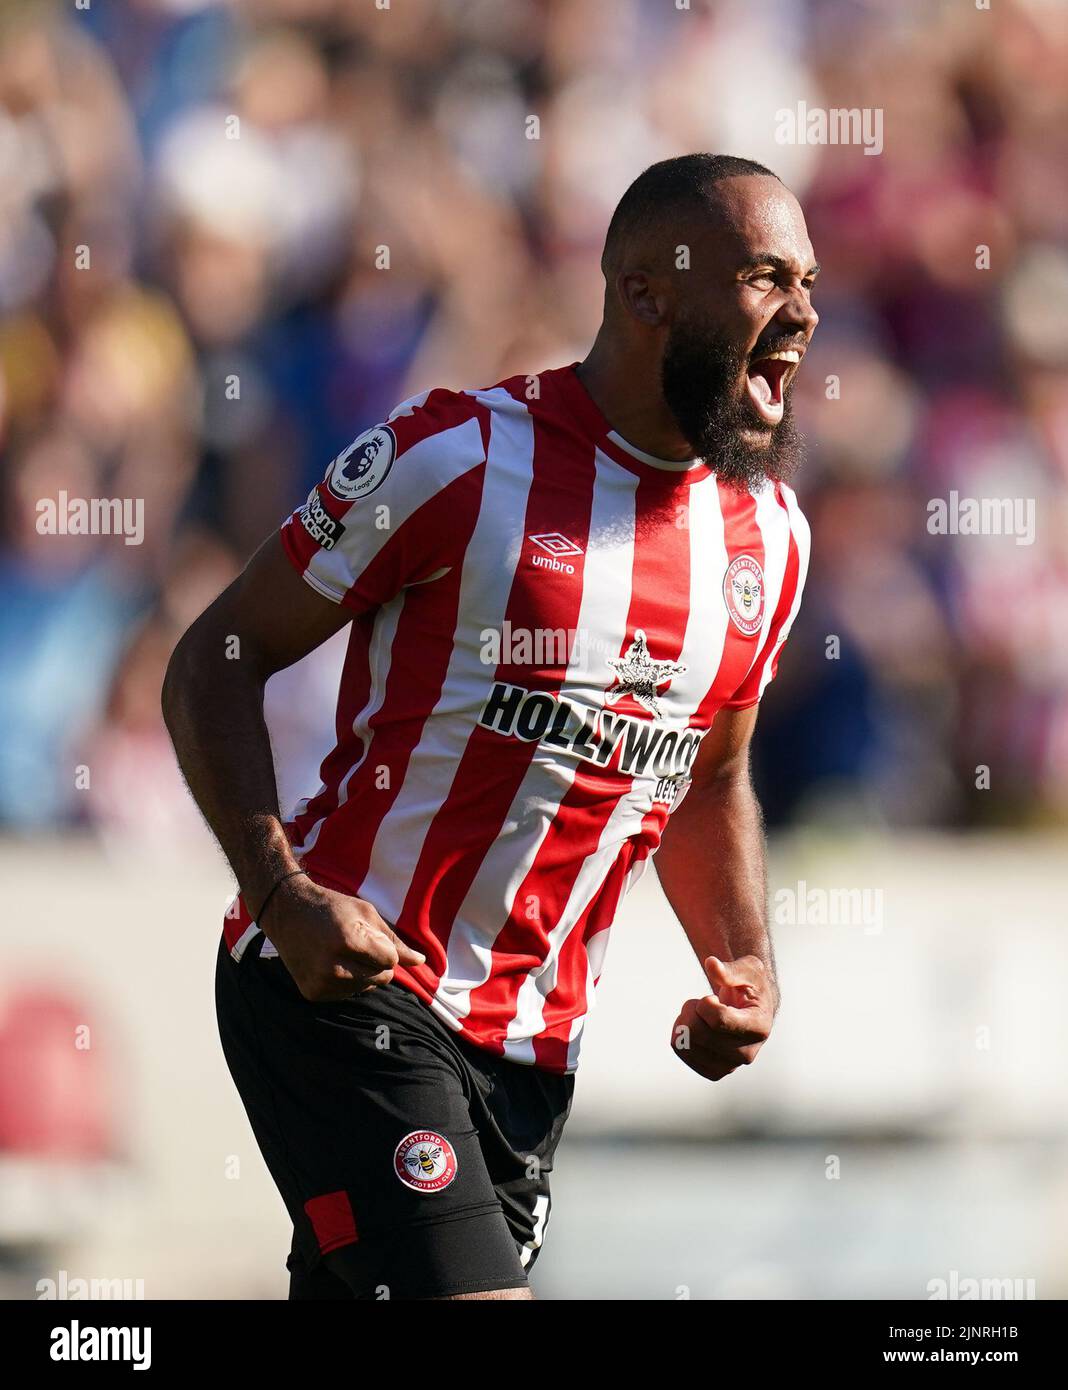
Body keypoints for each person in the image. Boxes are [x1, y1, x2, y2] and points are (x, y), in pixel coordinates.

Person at [162, 153, 819, 1300]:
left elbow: (709, 779)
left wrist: (742, 959)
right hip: (348, 988)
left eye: (808, 282)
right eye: (765, 278)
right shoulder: (454, 459)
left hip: (528, 1054)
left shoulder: (770, 537)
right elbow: (214, 659)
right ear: (646, 294)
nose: (804, 314)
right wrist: (282, 895)